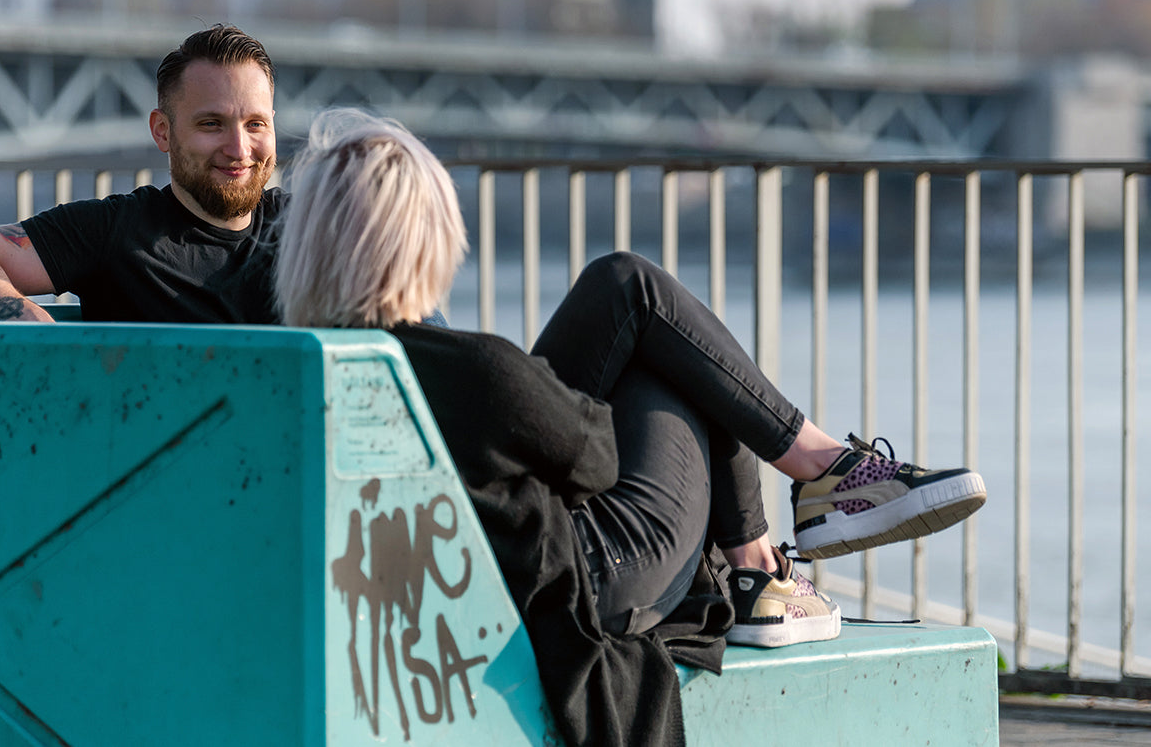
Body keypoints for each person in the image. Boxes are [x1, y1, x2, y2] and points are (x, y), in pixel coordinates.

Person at [273, 110, 987, 747]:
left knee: (639, 306)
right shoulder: (472, 370)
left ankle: (781, 528)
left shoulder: (292, 367)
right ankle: (782, 530)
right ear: (427, 236)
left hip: (430, 583)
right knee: (663, 341)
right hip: (574, 582)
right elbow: (592, 459)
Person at [0, 24, 284, 323]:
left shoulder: (310, 226)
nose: (239, 149)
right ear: (162, 131)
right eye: (211, 124)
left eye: (255, 124)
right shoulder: (116, 231)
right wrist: (30, 325)